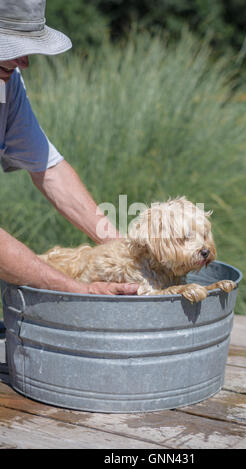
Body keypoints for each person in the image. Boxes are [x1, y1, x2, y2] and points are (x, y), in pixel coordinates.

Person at [0, 0, 138, 296]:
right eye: (11, 47)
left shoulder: (6, 82)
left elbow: (48, 168)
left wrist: (119, 248)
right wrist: (78, 290)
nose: (24, 61)